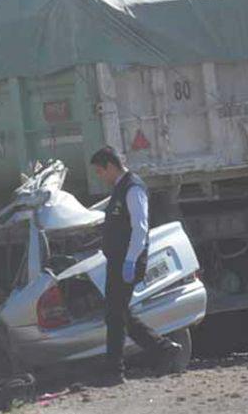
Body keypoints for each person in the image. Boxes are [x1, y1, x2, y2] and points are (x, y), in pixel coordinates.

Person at [90, 146, 182, 385]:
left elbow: (140, 227)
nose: (100, 176)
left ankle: (114, 371)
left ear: (110, 166)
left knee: (115, 314)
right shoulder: (120, 188)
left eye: (100, 171)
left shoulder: (133, 188)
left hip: (127, 261)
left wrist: (131, 260)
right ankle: (164, 349)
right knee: (119, 312)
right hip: (119, 261)